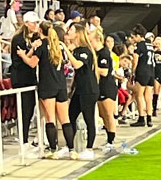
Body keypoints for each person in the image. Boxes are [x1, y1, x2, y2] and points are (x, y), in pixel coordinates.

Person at [36, 22, 70, 158]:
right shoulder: (59, 47)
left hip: (48, 85)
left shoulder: (42, 46)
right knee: (65, 119)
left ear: (40, 30)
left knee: (50, 119)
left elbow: (32, 63)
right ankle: (71, 148)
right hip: (61, 85)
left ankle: (53, 149)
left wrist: (23, 54)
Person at [8, 12, 42, 152]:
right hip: (21, 78)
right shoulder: (18, 39)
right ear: (27, 23)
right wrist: (32, 48)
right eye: (33, 23)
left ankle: (26, 137)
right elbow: (23, 59)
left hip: (30, 77)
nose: (35, 25)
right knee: (25, 109)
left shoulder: (32, 38)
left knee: (30, 109)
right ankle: (23, 139)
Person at [66, 21, 100, 161]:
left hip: (89, 89)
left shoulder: (85, 50)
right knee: (70, 116)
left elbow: (78, 65)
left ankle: (89, 148)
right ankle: (70, 147)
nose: (69, 32)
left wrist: (66, 49)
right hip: (80, 89)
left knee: (88, 118)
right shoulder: (77, 50)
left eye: (71, 30)